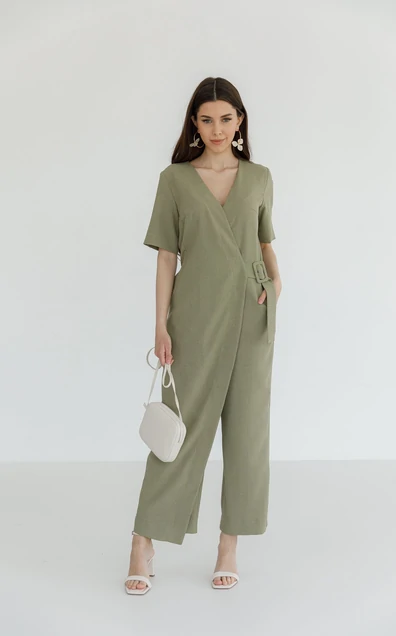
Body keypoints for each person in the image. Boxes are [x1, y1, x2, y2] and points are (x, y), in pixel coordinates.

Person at [125, 76, 282, 594]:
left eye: (227, 118)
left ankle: (228, 545)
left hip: (252, 315)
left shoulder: (259, 177)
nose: (218, 129)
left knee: (247, 432)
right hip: (193, 316)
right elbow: (166, 257)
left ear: (240, 121)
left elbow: (264, 242)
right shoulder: (175, 180)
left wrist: (275, 286)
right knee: (179, 430)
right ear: (194, 122)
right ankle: (143, 541)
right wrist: (160, 325)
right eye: (208, 119)